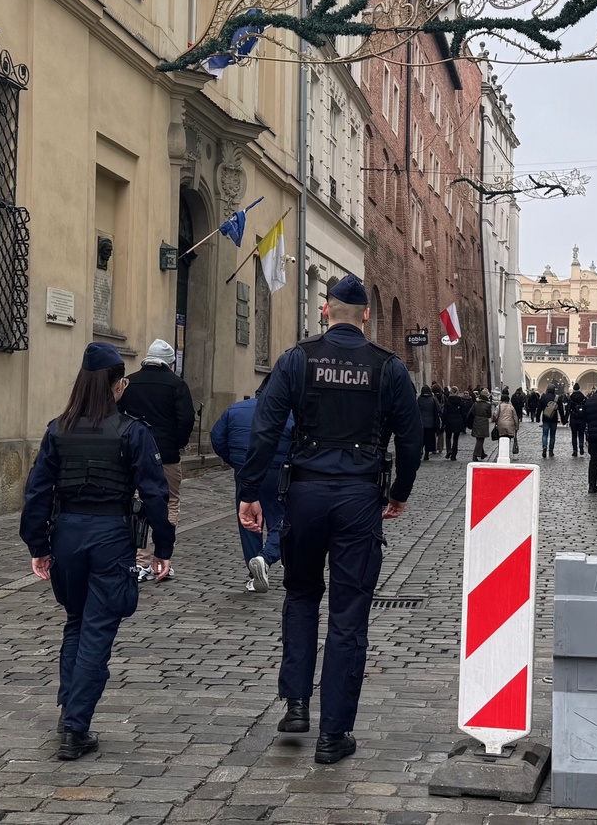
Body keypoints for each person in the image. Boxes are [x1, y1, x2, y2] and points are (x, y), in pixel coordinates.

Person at [237, 274, 421, 765]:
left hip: (304, 495)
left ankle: (296, 704)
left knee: (300, 595)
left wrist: (250, 493)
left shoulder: (297, 359)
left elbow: (265, 429)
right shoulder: (388, 367)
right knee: (348, 612)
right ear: (365, 316)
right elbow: (411, 439)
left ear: (325, 310)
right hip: (359, 498)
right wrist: (399, 492)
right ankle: (333, 734)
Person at [19, 343, 175, 761]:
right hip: (110, 535)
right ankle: (75, 727)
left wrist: (38, 544)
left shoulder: (58, 429)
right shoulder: (131, 432)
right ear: (117, 386)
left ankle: (69, 709)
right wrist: (163, 546)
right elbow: (155, 493)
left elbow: (37, 492)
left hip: (67, 534)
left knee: (76, 621)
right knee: (97, 629)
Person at [119, 338, 195, 581]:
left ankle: (141, 562)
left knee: (139, 503)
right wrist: (176, 443)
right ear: (170, 363)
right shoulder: (176, 384)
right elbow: (186, 419)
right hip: (166, 454)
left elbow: (118, 415)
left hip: (135, 453)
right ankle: (163, 558)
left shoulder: (129, 382)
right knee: (170, 502)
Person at [210, 375, 293, 593]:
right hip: (277, 472)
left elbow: (217, 438)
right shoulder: (290, 413)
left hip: (244, 471)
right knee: (282, 518)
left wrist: (237, 463)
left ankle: (254, 568)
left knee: (248, 521)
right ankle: (266, 558)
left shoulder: (234, 410)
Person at [442, 387, 468, 461]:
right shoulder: (460, 401)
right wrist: (464, 423)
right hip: (458, 421)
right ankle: (454, 455)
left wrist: (444, 422)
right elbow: (463, 413)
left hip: (449, 420)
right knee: (456, 439)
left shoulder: (447, 401)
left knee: (448, 437)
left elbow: (445, 413)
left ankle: (449, 449)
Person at [417, 385, 441, 461]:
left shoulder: (419, 399)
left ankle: (420, 450)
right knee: (429, 438)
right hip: (431, 422)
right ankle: (426, 454)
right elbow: (438, 408)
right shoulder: (433, 399)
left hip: (421, 422)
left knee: (421, 438)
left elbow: (415, 409)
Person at [493, 389, 519, 455]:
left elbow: (495, 416)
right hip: (510, 425)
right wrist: (516, 426)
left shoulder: (499, 407)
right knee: (508, 439)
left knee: (501, 438)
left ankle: (501, 452)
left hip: (500, 425)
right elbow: (515, 417)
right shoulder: (511, 407)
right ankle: (506, 452)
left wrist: (495, 420)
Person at [566, 383, 588, 458]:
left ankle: (575, 451)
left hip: (573, 418)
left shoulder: (571, 397)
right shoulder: (583, 397)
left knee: (574, 435)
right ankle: (581, 446)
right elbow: (586, 408)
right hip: (582, 418)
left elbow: (568, 409)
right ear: (579, 388)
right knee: (581, 434)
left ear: (574, 388)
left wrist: (565, 418)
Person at [540, 386, 562, 458]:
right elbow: (561, 409)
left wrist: (537, 417)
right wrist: (563, 419)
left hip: (545, 418)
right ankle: (551, 451)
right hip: (554, 419)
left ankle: (544, 447)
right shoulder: (557, 398)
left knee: (545, 435)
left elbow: (539, 407)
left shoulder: (544, 397)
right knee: (552, 435)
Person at [469, 391, 491, 461]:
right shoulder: (487, 405)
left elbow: (472, 412)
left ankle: (482, 454)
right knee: (481, 439)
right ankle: (475, 454)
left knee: (478, 438)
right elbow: (489, 415)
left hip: (476, 421)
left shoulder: (475, 404)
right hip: (483, 422)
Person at [431, 382, 446, 455]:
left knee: (433, 433)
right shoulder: (443, 397)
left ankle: (433, 448)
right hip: (442, 416)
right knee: (441, 432)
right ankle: (440, 447)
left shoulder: (431, 398)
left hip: (433, 416)